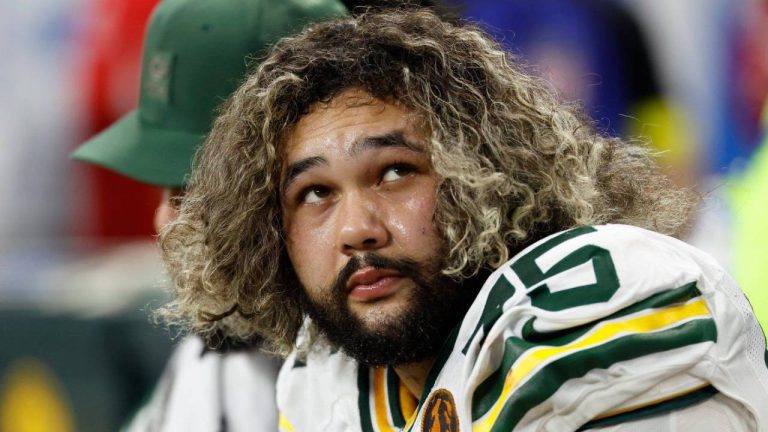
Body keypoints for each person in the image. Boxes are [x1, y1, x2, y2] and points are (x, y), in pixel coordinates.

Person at [159, 10, 768, 431]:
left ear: (489, 173)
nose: (358, 229)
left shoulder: (600, 305)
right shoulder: (324, 375)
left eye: (395, 172)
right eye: (315, 193)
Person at [71, 0, 346, 430]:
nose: (164, 223)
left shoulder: (430, 362)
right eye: (167, 192)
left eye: (191, 195)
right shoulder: (218, 356)